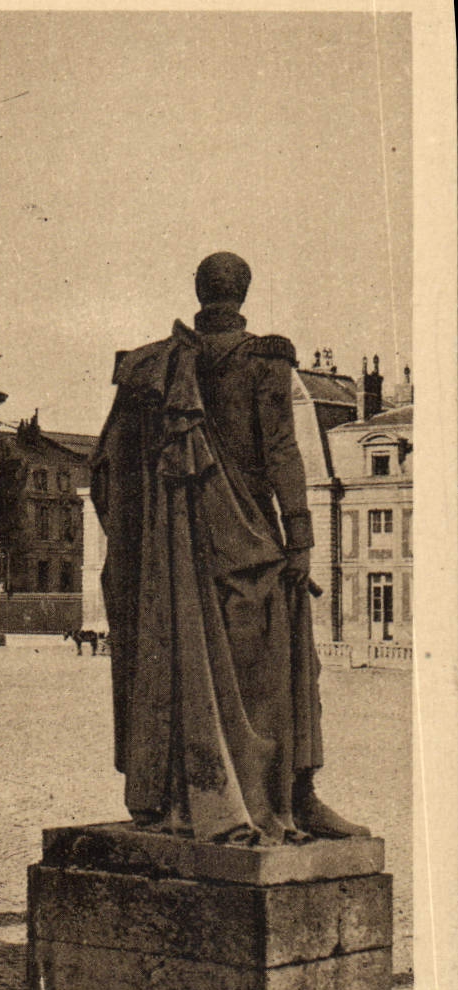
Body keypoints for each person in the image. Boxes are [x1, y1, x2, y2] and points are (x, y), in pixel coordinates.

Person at [91, 251, 367, 844]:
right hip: (251, 544)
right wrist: (301, 539)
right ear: (243, 295)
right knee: (282, 668)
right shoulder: (264, 363)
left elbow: (109, 470)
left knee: (183, 669)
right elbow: (283, 454)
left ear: (199, 291)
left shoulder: (150, 368)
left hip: (179, 555)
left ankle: (183, 790)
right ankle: (295, 796)